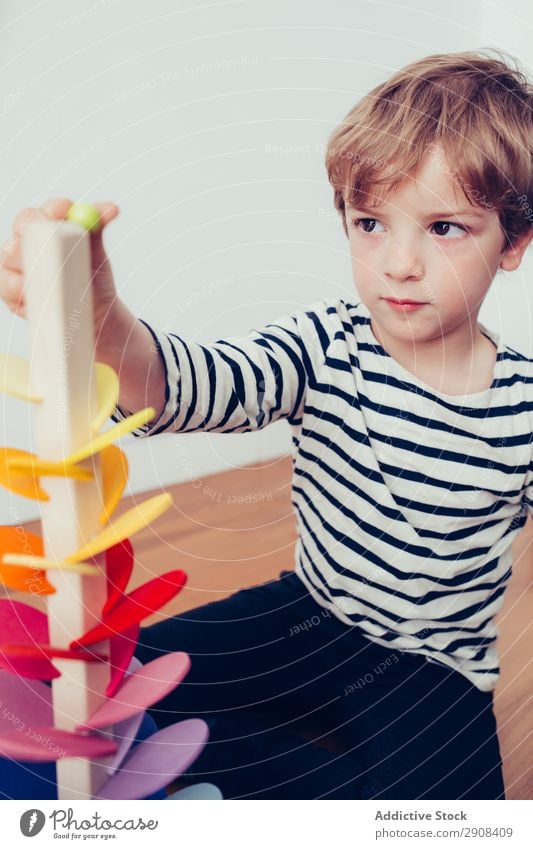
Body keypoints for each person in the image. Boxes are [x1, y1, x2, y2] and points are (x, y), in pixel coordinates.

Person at [1, 49, 532, 800]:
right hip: (307, 611)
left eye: (444, 227)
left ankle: (274, 767)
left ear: (511, 242)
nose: (398, 262)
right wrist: (100, 319)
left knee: (452, 817)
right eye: (370, 222)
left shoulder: (522, 405)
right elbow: (185, 387)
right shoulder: (324, 342)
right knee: (99, 688)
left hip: (432, 665)